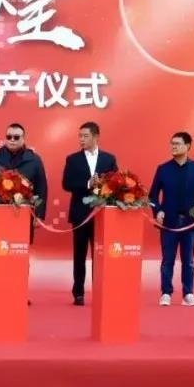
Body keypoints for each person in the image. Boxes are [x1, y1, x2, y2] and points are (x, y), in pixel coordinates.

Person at [61, 121, 118, 306]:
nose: (81, 139)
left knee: (100, 255)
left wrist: (102, 187)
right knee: (79, 254)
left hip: (101, 215)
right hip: (80, 214)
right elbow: (66, 184)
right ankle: (78, 292)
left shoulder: (109, 159)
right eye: (80, 136)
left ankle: (99, 290)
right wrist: (87, 184)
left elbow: (116, 183)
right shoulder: (72, 159)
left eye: (85, 136)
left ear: (96, 137)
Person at [149, 132, 194, 307]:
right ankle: (166, 293)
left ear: (188, 146)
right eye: (172, 143)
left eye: (177, 143)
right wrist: (158, 211)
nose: (173, 146)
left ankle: (188, 293)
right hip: (169, 223)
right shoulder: (163, 169)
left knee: (188, 261)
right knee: (167, 260)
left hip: (190, 222)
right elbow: (152, 196)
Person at [0, 122, 49, 238]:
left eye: (16, 137)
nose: (12, 140)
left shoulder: (34, 160)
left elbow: (41, 189)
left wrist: (39, 215)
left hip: (24, 214)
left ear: (23, 138)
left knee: (20, 246)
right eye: (9, 137)